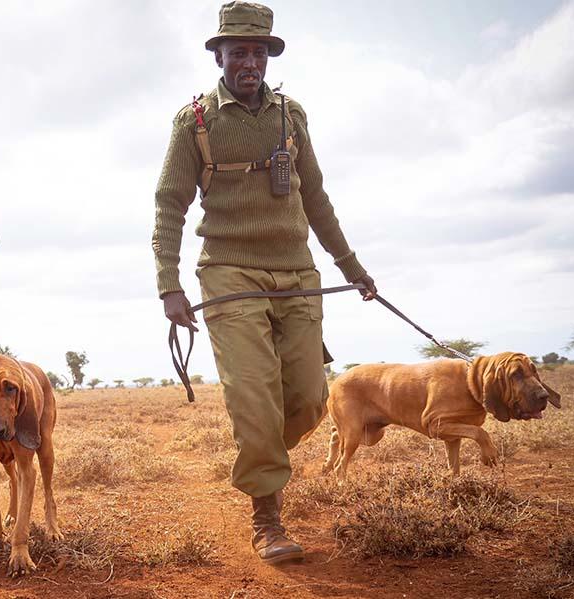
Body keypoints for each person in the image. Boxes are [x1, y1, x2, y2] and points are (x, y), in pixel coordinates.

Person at [152, 1, 377, 564]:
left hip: (298, 271)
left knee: (307, 400)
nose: (248, 61)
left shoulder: (291, 117)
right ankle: (267, 517)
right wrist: (168, 284)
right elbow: (169, 205)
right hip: (228, 273)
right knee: (254, 400)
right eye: (237, 52)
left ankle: (262, 453)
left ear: (268, 56)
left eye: (258, 51)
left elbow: (316, 197)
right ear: (220, 56)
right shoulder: (195, 121)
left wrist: (353, 269)